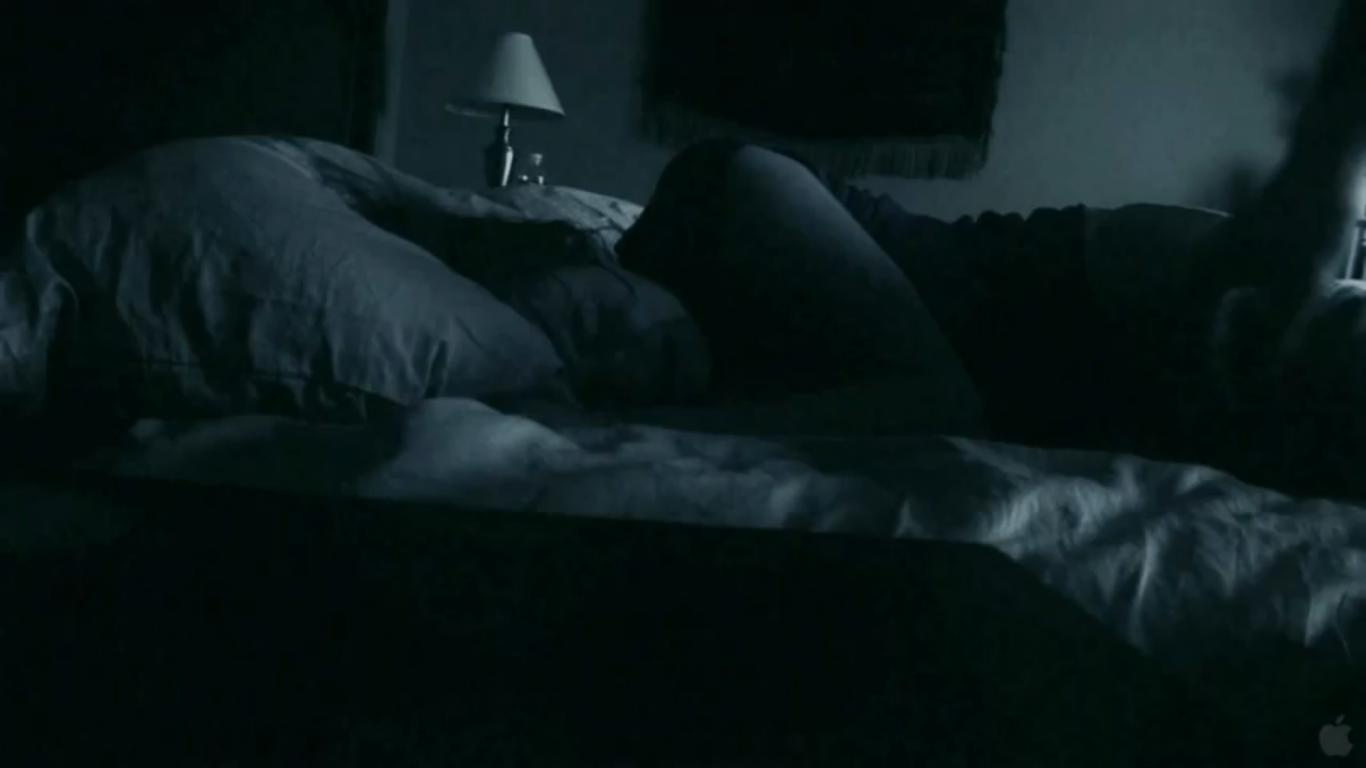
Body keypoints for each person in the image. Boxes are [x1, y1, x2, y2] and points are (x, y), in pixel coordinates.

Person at [614, 1, 1366, 503]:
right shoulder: (723, 343)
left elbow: (937, 403)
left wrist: (617, 426)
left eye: (580, 320)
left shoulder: (720, 182)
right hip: (1129, 344)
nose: (605, 352)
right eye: (586, 364)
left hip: (1103, 282)